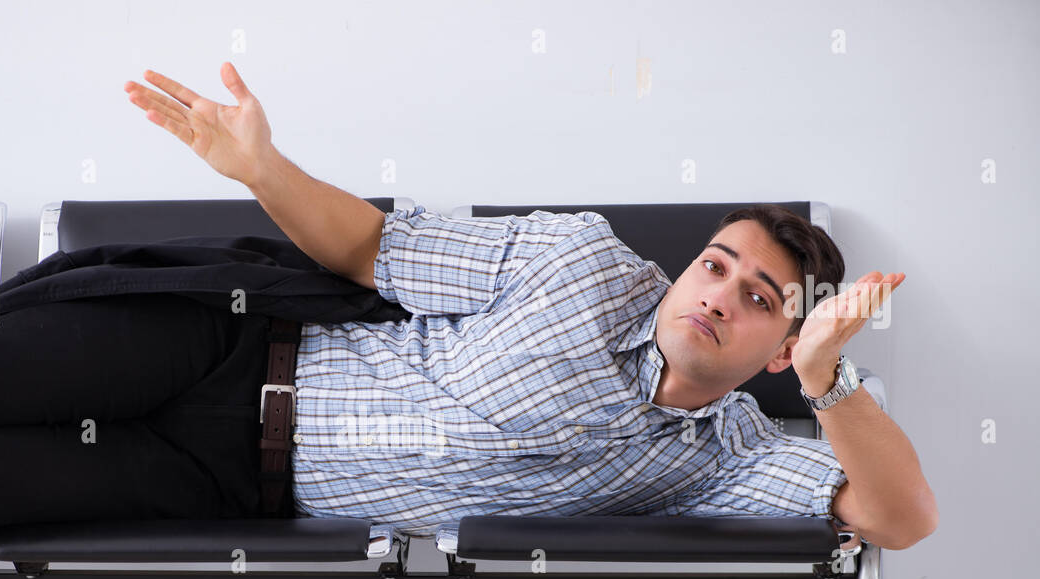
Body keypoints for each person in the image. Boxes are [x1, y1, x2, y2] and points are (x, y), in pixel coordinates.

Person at [123, 63, 937, 550]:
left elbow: (900, 519)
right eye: (716, 266)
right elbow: (372, 249)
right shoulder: (577, 260)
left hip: (226, 483)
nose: (719, 297)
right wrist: (262, 168)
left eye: (757, 298)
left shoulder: (719, 460)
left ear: (777, 352)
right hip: (223, 349)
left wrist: (827, 376)